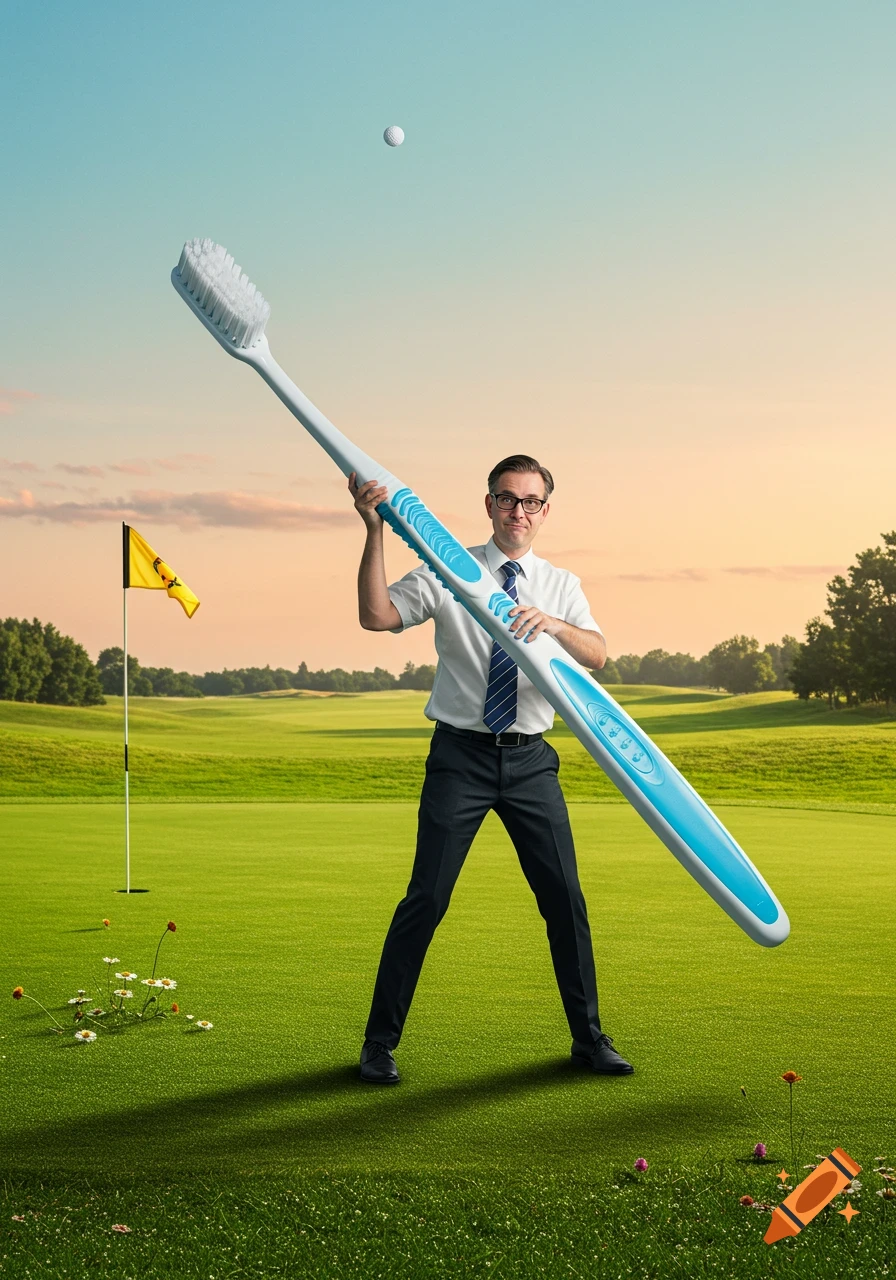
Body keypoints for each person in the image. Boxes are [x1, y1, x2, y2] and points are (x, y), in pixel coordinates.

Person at [349, 454, 634, 1084]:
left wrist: (553, 626)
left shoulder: (560, 584)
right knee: (427, 897)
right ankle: (378, 1044)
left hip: (532, 761)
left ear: (545, 511)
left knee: (564, 900)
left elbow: (598, 654)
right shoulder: (448, 568)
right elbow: (376, 616)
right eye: (507, 498)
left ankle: (589, 1039)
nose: (518, 512)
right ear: (489, 505)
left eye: (531, 502)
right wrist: (374, 530)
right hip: (461, 758)